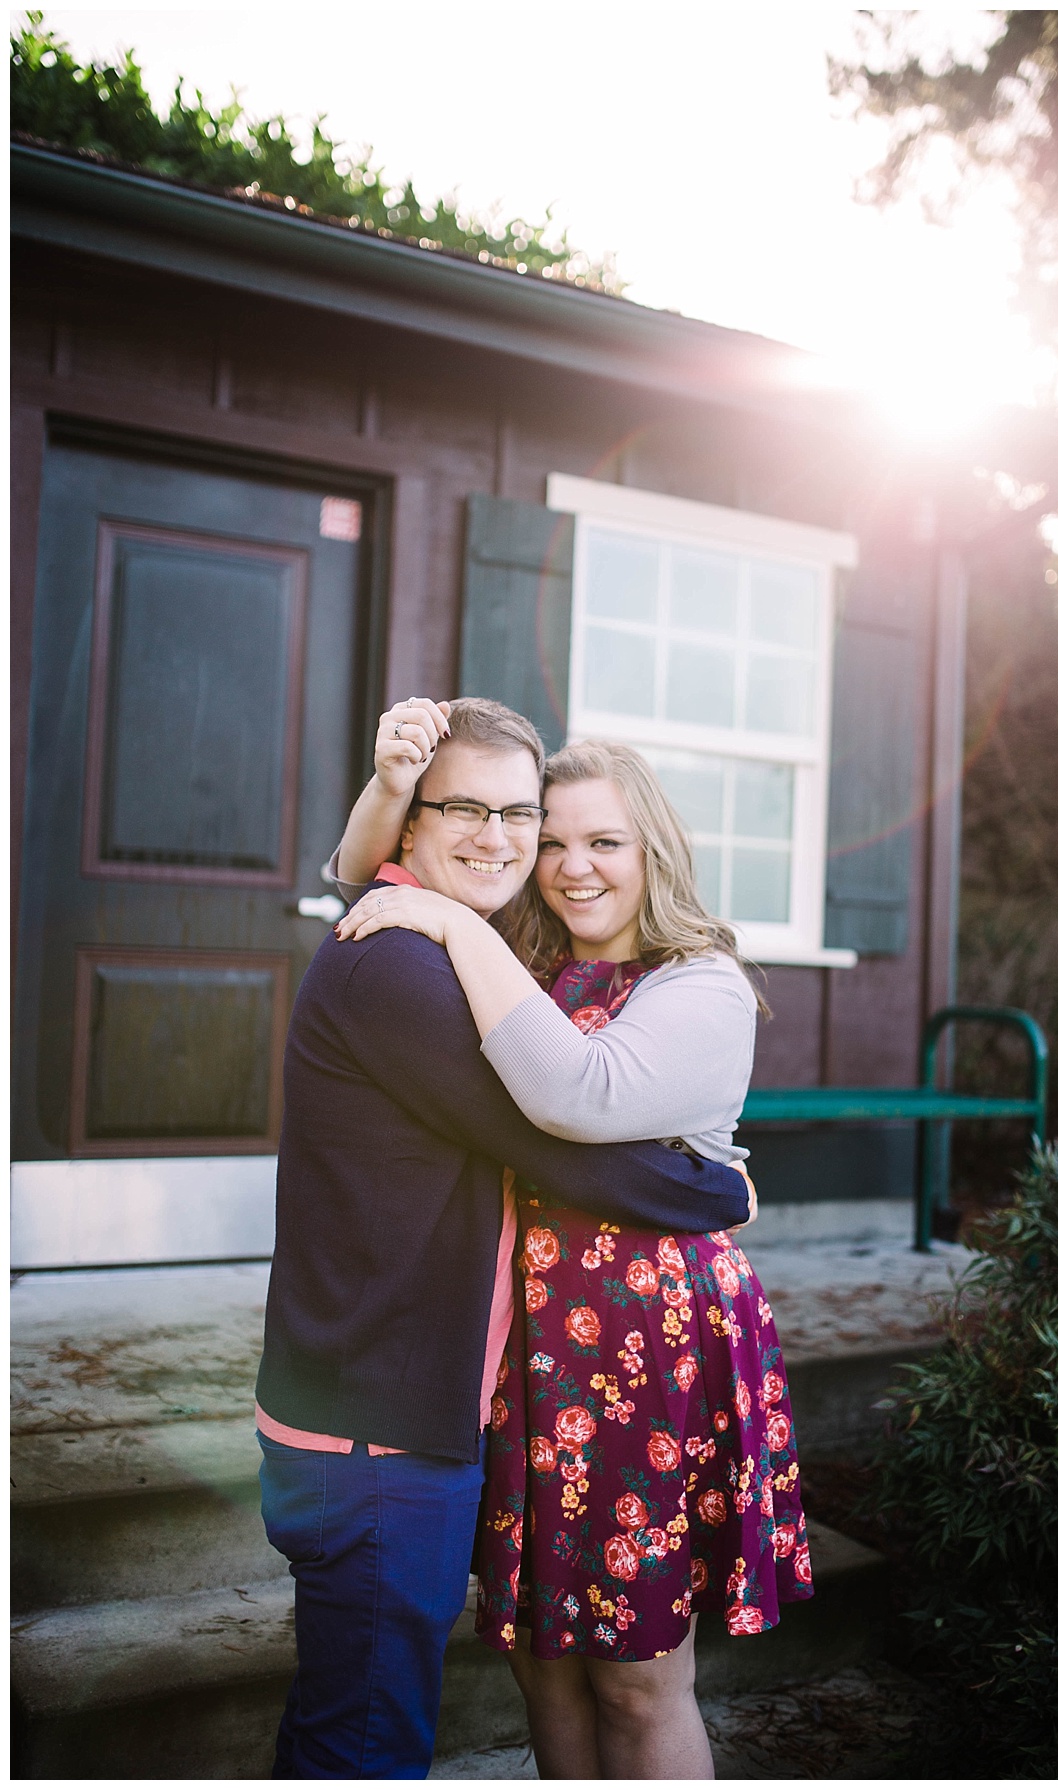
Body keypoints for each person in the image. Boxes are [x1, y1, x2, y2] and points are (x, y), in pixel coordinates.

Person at [255, 698, 753, 1780]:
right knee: (374, 1737)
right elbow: (552, 1140)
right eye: (471, 811)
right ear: (412, 823)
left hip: (553, 1386)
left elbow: (563, 1104)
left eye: (528, 818)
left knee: (590, 1680)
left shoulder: (494, 949)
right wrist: (712, 1189)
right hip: (393, 1421)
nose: (525, 846)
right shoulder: (420, 959)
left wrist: (450, 912)